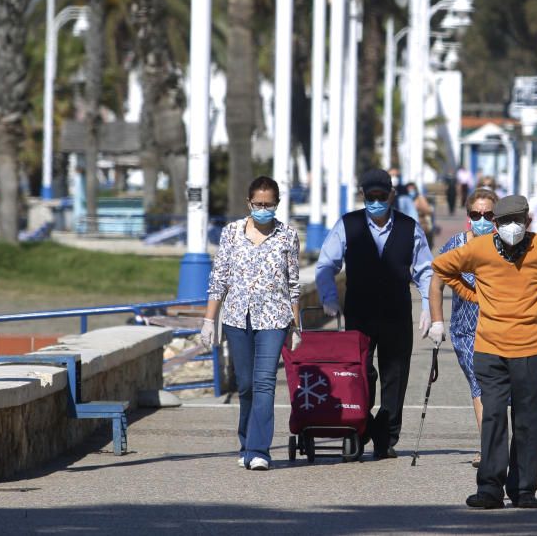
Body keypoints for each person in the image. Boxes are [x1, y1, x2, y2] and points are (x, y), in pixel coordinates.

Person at [432, 195, 537, 509]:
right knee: (493, 416)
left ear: (528, 222)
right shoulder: (479, 249)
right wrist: (472, 294)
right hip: (489, 347)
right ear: (495, 225)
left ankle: (524, 490)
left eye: (517, 221)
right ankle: (490, 489)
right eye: (505, 222)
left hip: (531, 347)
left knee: (527, 419)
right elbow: (442, 267)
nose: (511, 227)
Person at [315, 168, 437, 460]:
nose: (377, 202)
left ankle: (387, 437)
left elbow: (426, 271)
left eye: (382, 196)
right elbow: (325, 264)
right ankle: (360, 426)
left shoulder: (410, 227)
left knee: (396, 375)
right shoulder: (348, 224)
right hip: (360, 311)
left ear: (391, 195)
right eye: (371, 197)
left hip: (395, 311)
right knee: (359, 374)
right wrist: (329, 297)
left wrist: (428, 308)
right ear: (364, 196)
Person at [200, 176, 303, 471]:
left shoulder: (287, 236)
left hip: (274, 318)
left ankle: (259, 450)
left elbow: (293, 283)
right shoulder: (231, 233)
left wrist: (295, 326)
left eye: (268, 205)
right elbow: (219, 277)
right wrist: (210, 319)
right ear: (248, 203)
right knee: (245, 384)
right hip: (236, 317)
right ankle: (246, 441)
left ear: (277, 204)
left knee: (264, 382)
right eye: (258, 204)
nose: (263, 209)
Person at [428, 187, 500, 468]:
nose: (482, 219)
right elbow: (437, 281)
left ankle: (498, 444)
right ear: (468, 216)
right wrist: (436, 320)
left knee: (500, 391)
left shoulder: (504, 244)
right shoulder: (456, 244)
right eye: (476, 214)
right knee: (480, 384)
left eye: (488, 214)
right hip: (467, 331)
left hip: (500, 327)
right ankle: (489, 450)